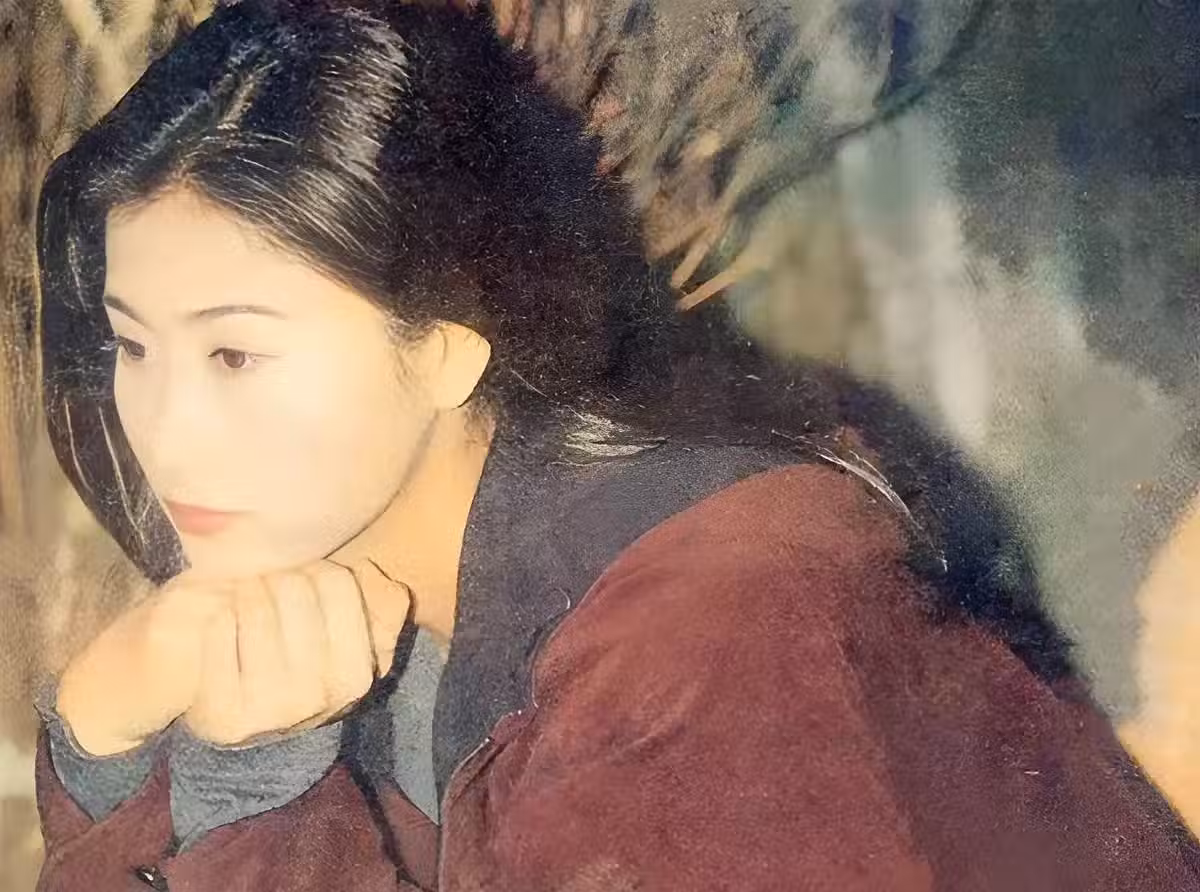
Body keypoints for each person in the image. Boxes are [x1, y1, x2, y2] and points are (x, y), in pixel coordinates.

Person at [31, 1, 1200, 889]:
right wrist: (103, 748)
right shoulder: (335, 590)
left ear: (447, 350)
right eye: (133, 344)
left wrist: (260, 801)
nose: (162, 429)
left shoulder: (715, 621)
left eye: (235, 354)